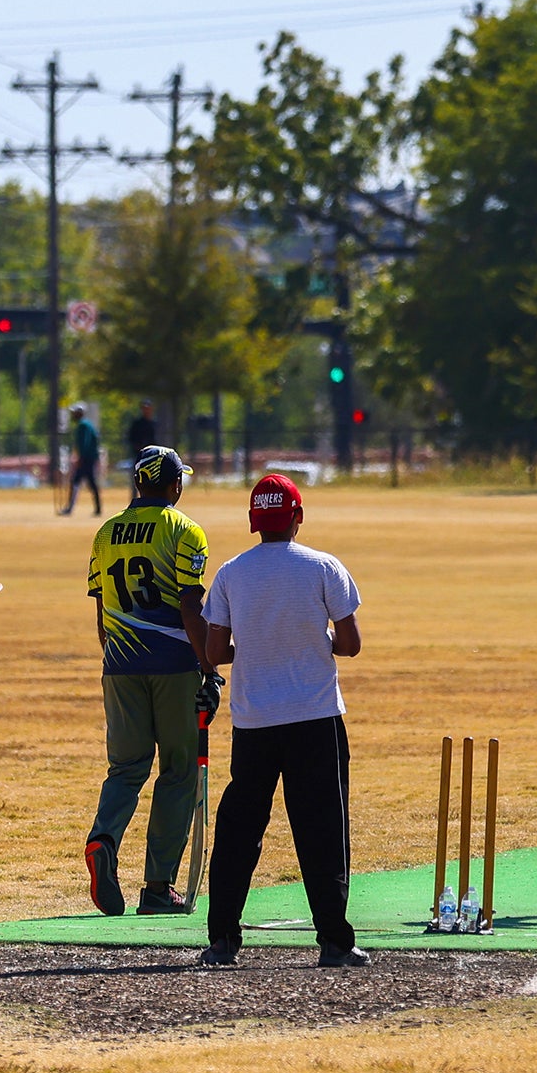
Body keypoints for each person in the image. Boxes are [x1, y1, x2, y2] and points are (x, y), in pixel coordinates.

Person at [197, 473, 368, 968]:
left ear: (254, 522)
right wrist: (314, 642)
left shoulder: (232, 572)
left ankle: (222, 940)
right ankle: (335, 941)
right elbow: (352, 644)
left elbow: (214, 652)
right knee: (322, 828)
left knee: (239, 829)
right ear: (298, 516)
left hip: (254, 721)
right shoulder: (322, 567)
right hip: (315, 717)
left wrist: (255, 644)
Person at [83, 446, 217, 916]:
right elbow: (190, 607)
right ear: (174, 484)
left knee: (126, 768)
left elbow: (102, 615)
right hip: (174, 665)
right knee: (178, 772)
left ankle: (103, 840)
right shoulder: (185, 530)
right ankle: (158, 886)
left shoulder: (106, 533)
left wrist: (118, 658)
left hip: (118, 665)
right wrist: (209, 669)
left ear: (139, 484)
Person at [64, 403, 102, 516]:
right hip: (89, 458)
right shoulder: (88, 424)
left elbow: (84, 443)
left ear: (79, 413)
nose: (73, 415)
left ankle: (70, 508)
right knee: (90, 483)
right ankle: (98, 508)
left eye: (74, 413)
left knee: (77, 481)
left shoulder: (83, 425)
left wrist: (81, 457)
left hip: (86, 459)